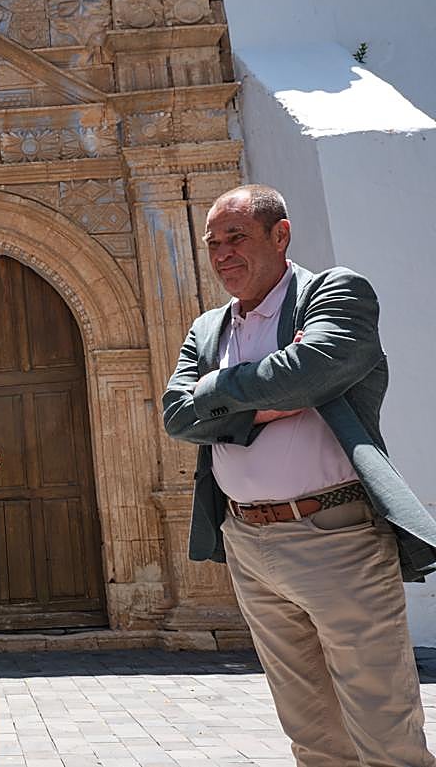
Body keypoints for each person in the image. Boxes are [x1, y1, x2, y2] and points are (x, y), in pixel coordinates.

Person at [163, 183, 436, 766]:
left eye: (236, 237)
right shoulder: (209, 328)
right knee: (311, 735)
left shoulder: (334, 292)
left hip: (335, 535)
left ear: (280, 235)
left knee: (385, 730)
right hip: (246, 543)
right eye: (213, 243)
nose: (222, 254)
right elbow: (177, 417)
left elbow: (313, 369)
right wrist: (259, 404)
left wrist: (217, 392)